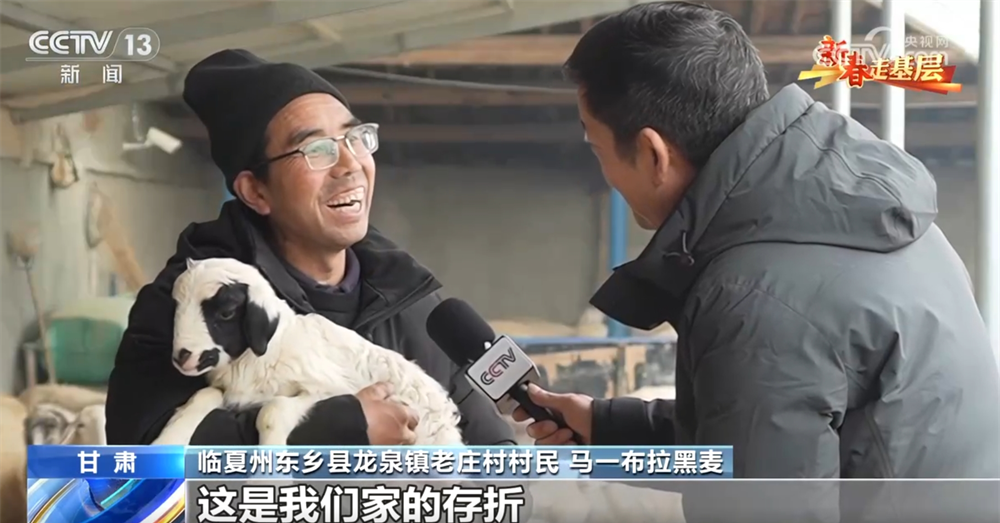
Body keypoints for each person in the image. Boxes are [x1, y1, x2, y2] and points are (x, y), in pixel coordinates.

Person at [514, 1, 1000, 482]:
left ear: (653, 154)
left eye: (597, 147)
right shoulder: (880, 214)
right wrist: (608, 428)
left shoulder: (751, 297)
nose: (602, 167)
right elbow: (764, 441)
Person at [105, 49, 516, 447]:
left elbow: (498, 460)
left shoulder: (410, 301)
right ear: (256, 191)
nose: (350, 164)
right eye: (316, 149)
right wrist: (337, 427)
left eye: (355, 138)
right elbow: (138, 453)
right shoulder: (196, 302)